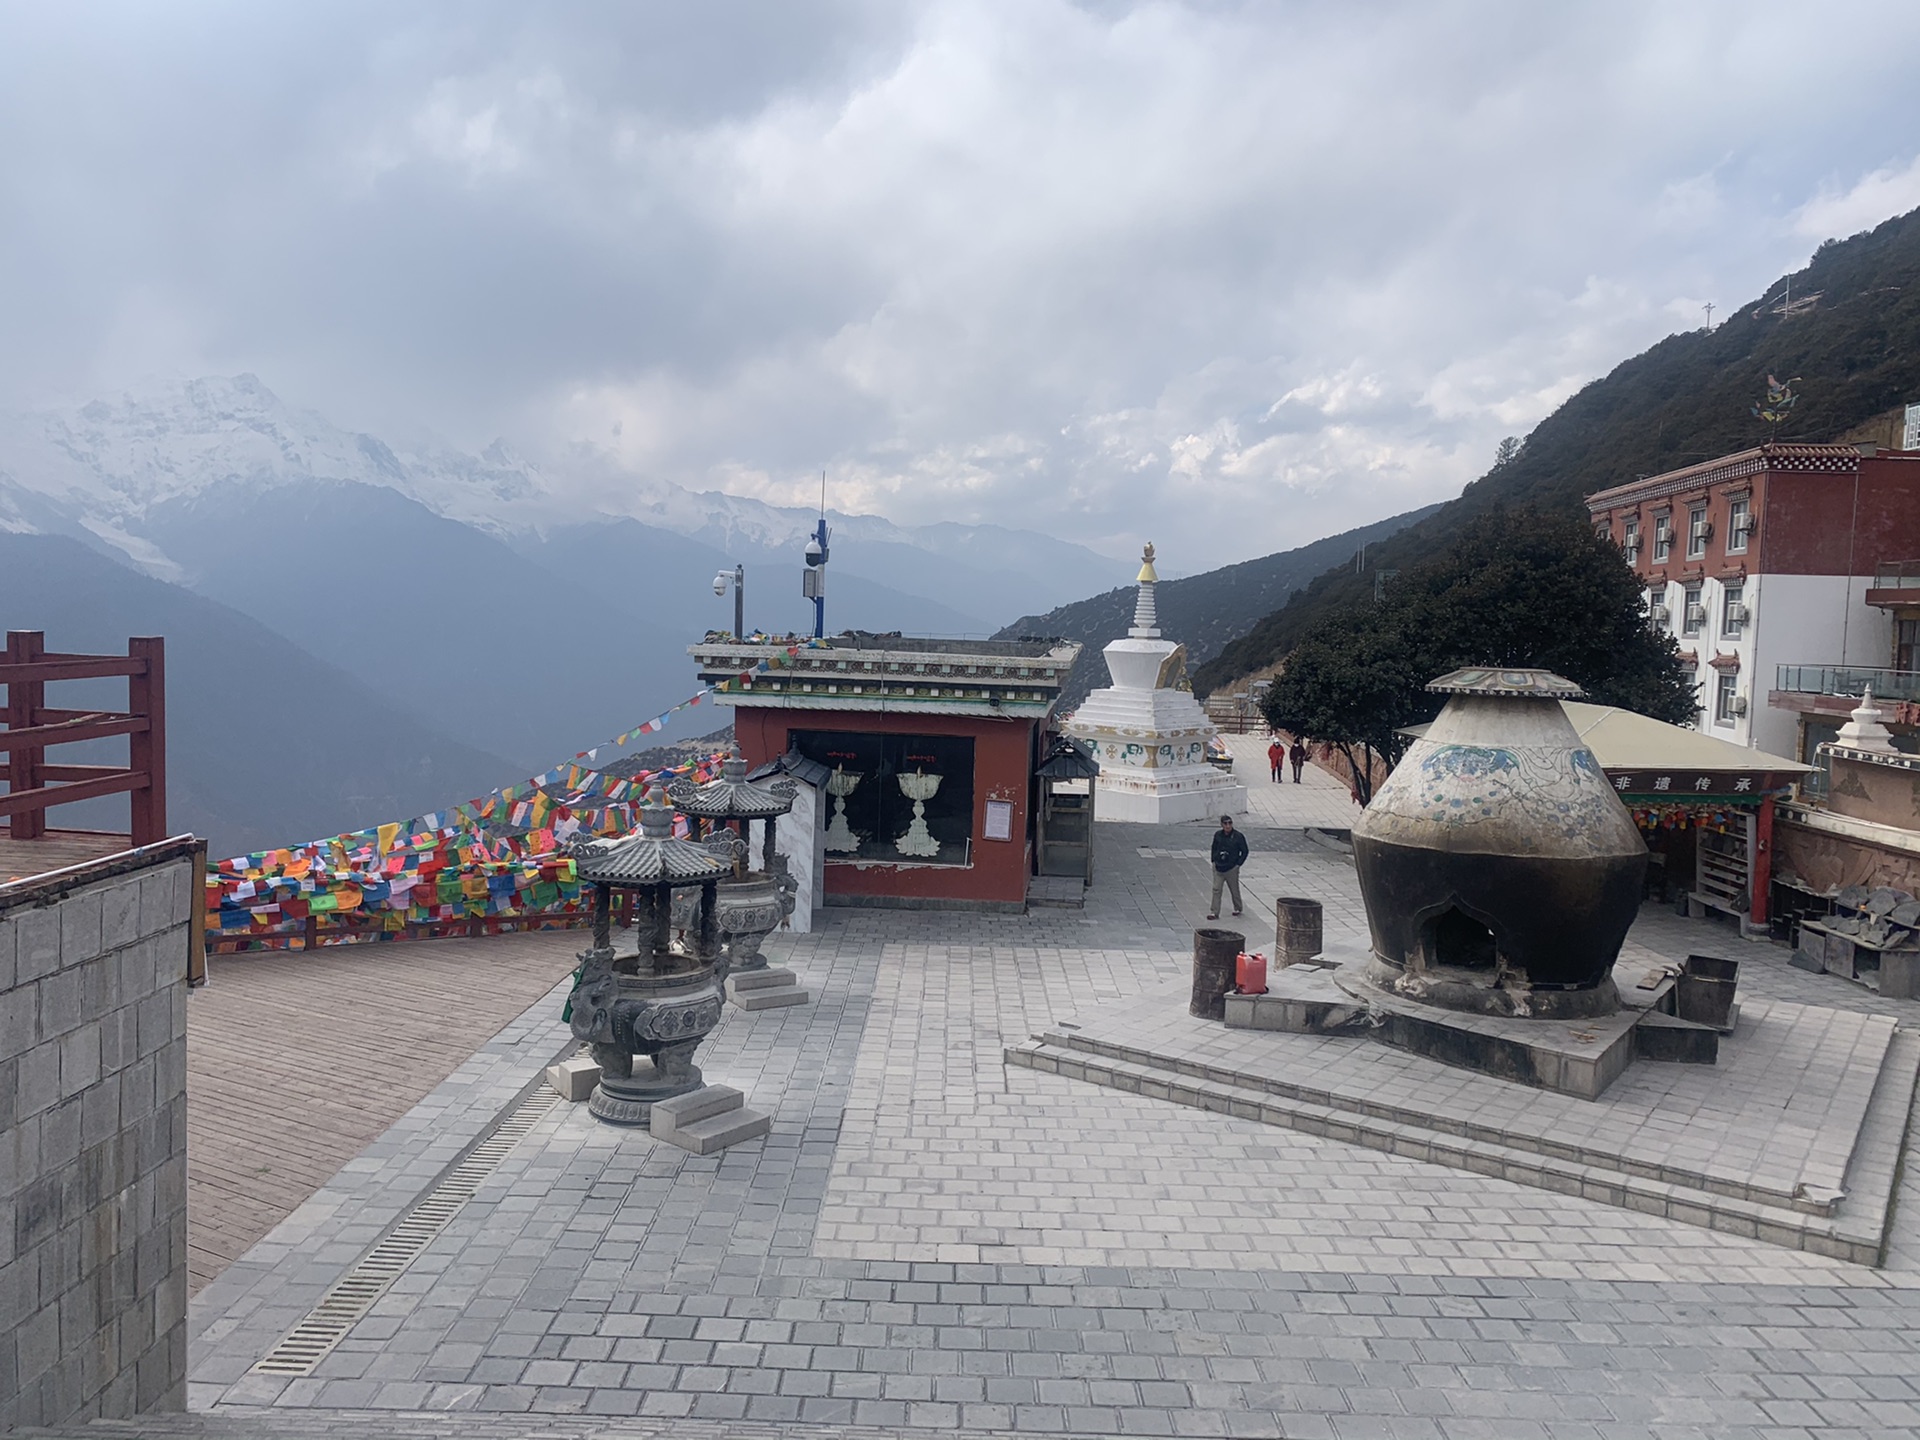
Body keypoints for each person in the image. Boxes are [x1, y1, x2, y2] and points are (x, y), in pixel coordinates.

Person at [1207, 813, 1248, 919]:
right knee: (1216, 889)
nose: (1228, 826)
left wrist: (1238, 864)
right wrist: (1214, 860)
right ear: (1222, 825)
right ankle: (1214, 912)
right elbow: (1214, 847)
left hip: (1231, 867)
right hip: (1219, 867)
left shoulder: (1238, 836)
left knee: (1234, 889)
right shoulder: (1218, 835)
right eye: (1225, 823)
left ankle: (1238, 907)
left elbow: (1244, 851)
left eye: (1230, 823)